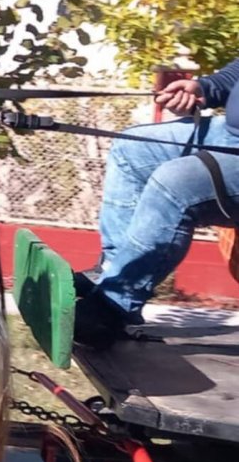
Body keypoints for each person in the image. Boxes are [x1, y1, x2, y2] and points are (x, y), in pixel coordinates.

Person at [74, 57, 239, 347]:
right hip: (230, 134)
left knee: (176, 183)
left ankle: (112, 306)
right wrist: (205, 87)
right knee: (132, 147)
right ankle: (114, 270)